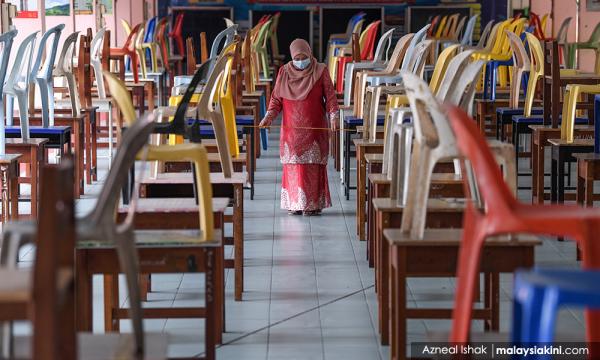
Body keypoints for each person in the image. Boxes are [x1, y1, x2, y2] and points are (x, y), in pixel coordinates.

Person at [259, 38, 339, 216]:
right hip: (292, 133)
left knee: (312, 167)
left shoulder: (320, 71)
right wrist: (268, 118)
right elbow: (276, 100)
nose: (301, 61)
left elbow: (331, 97)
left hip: (314, 131)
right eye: (297, 57)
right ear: (292, 57)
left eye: (304, 57)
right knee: (293, 167)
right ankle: (294, 204)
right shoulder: (284, 72)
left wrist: (334, 116)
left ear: (310, 54)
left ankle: (312, 205)